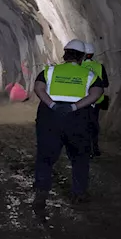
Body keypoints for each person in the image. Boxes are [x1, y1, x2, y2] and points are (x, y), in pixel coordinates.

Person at [33, 39, 107, 209]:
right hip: (78, 120)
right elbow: (98, 93)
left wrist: (52, 105)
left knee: (45, 157)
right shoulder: (89, 75)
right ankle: (79, 193)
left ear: (65, 54)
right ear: (81, 57)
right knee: (80, 157)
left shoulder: (49, 71)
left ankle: (41, 192)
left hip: (50, 118)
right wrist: (74, 106)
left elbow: (38, 88)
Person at [82, 42, 108, 157]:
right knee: (94, 123)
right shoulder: (99, 66)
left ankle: (84, 148)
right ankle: (95, 148)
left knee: (82, 124)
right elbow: (105, 83)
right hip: (96, 101)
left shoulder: (79, 66)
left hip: (82, 101)